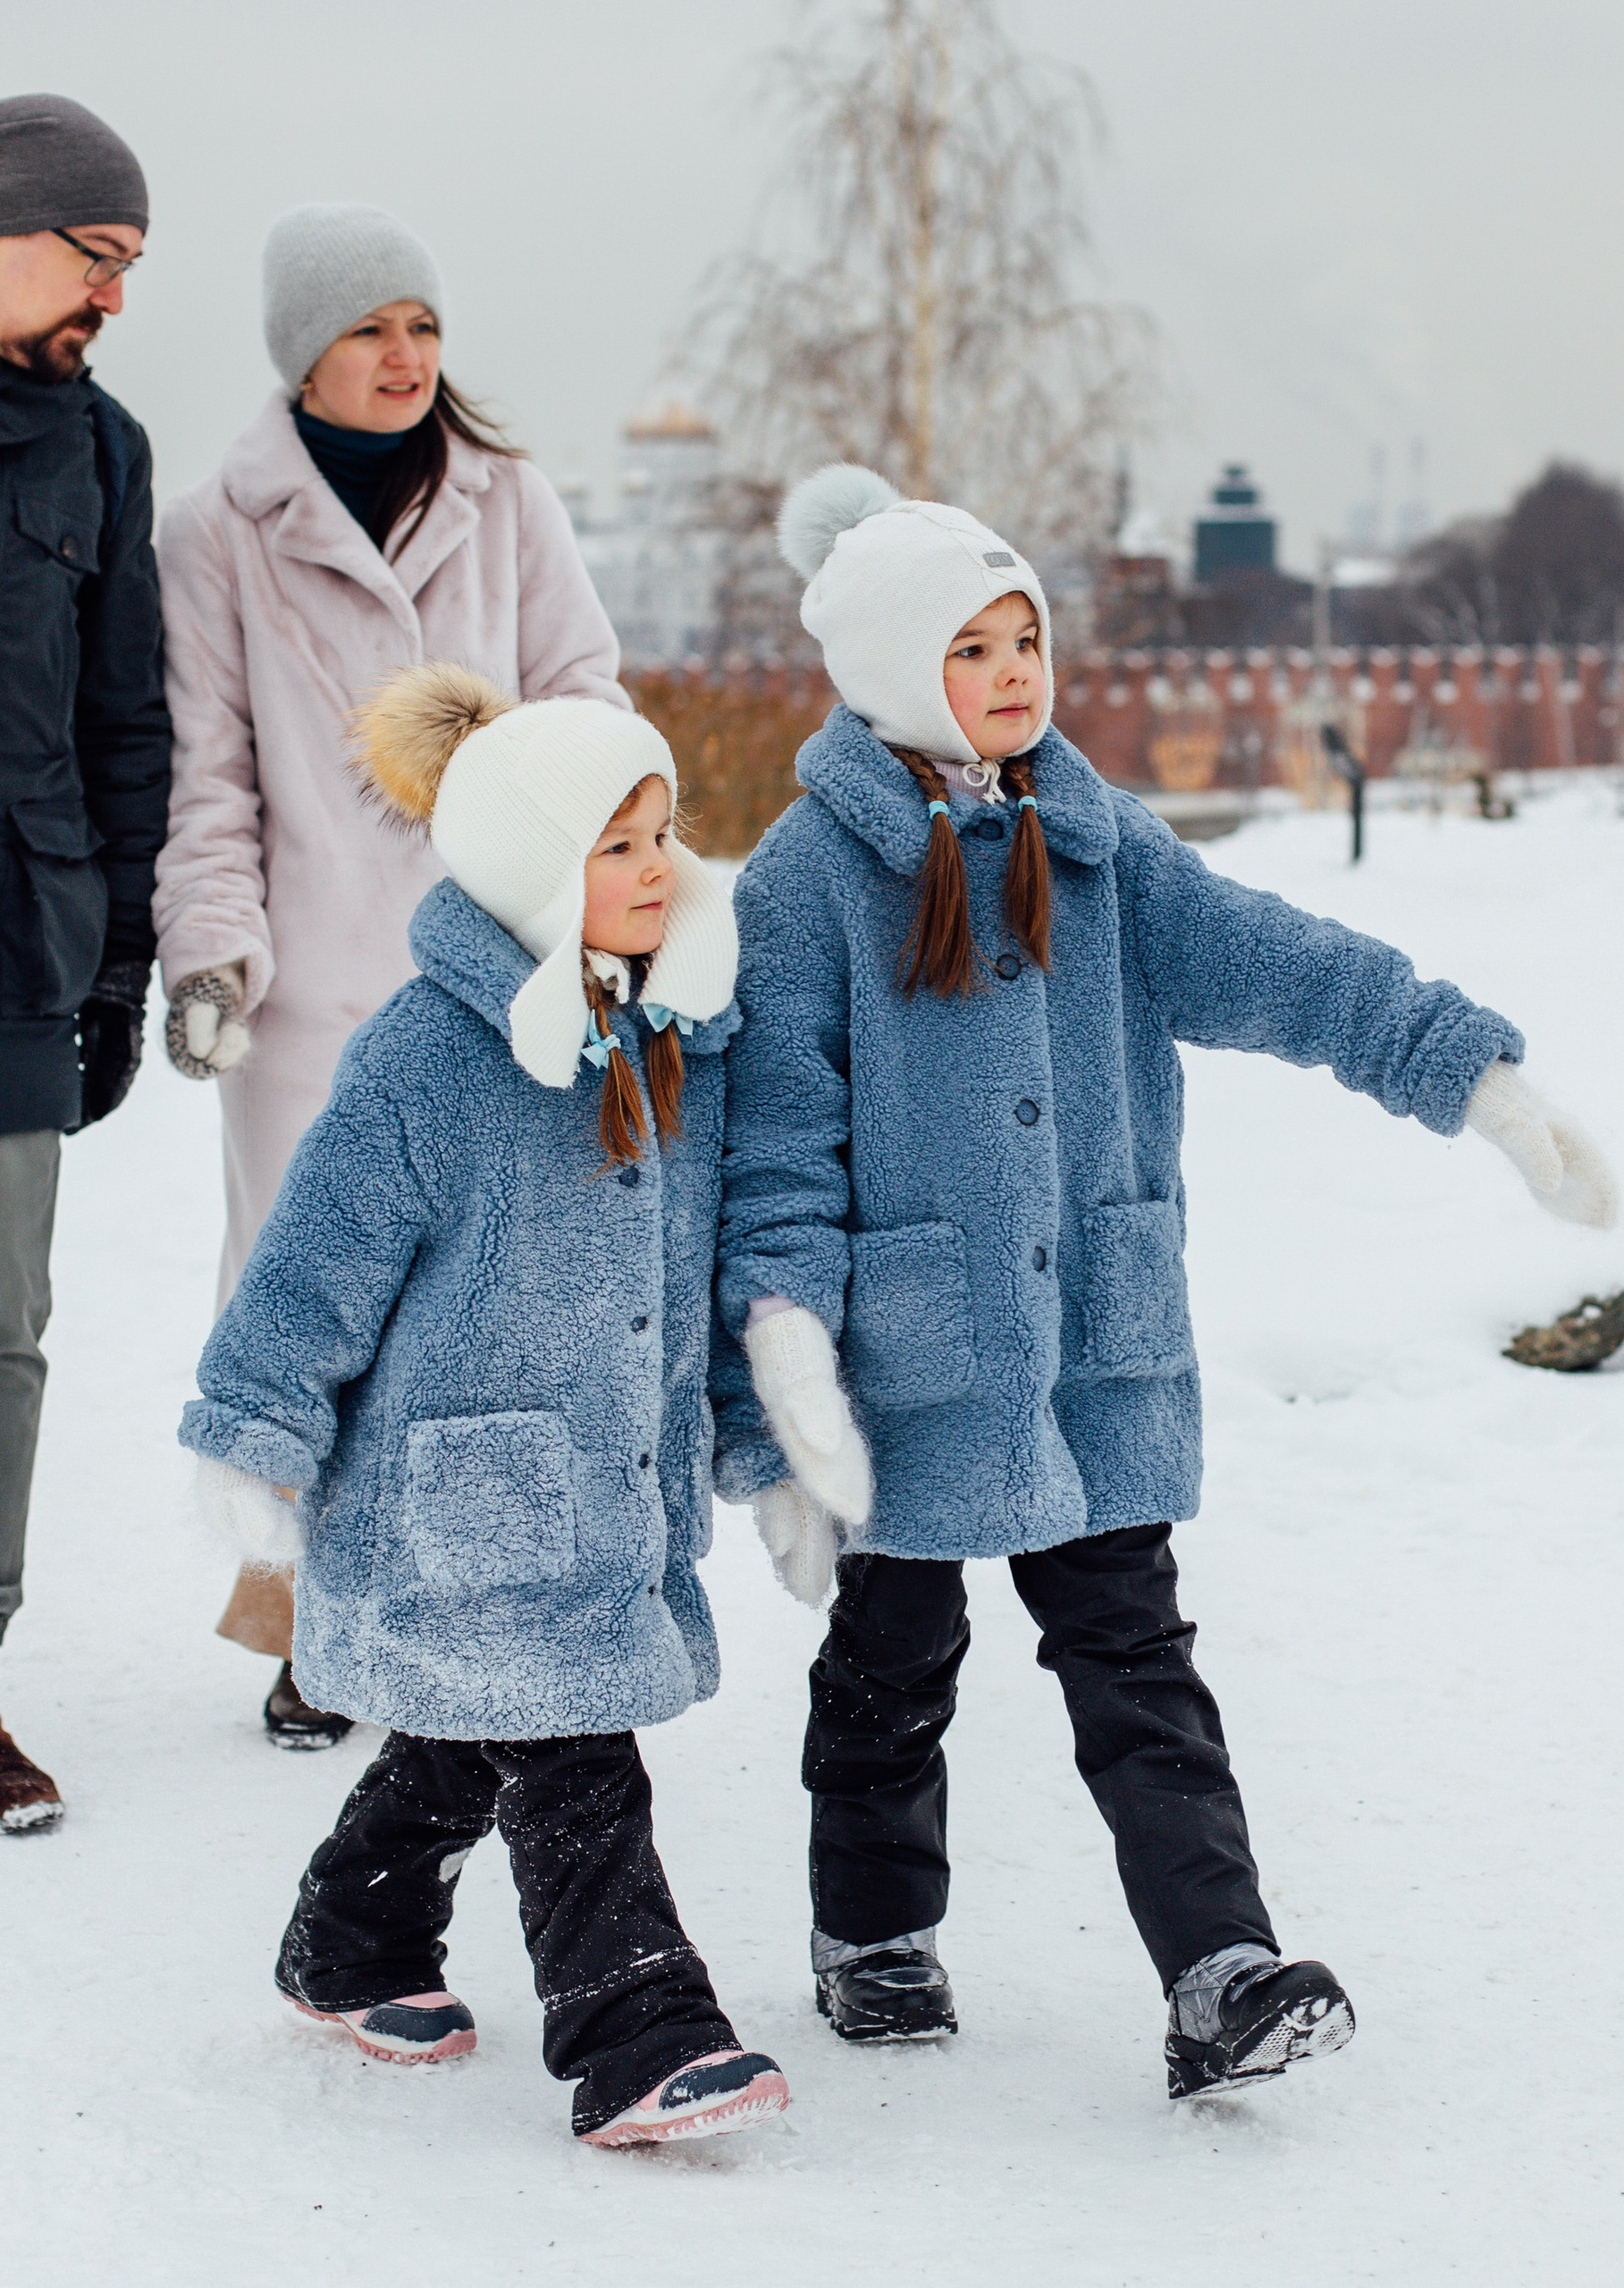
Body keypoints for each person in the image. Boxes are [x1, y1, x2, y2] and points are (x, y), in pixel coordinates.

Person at [715, 466, 1621, 2099]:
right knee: (890, 1667)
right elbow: (775, 1155)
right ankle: (873, 1935)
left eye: (1025, 640)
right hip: (908, 1364)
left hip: (1091, 1347)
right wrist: (785, 1379)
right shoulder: (802, 886)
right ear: (885, 669)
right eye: (970, 647)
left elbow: (1279, 962)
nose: (1011, 674)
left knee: (1138, 1662)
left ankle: (1222, 1971)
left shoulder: (1097, 837)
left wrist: (1467, 1073)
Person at [181, 661, 787, 2147]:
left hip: (604, 1488)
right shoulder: (425, 1058)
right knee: (574, 1755)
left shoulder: (675, 1040)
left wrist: (757, 1439)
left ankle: (352, 1943)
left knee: (465, 1743)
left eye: (666, 834)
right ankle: (639, 2032)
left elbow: (698, 1276)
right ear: (532, 873)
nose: (662, 870)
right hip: (455, 1495)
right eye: (619, 845)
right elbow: (313, 1262)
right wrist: (255, 1431)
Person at [152, 204, 631, 1747]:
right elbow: (210, 774)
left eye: (423, 327)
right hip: (316, 993)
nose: (406, 357)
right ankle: (302, 1620)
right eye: (370, 329)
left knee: (482, 1307)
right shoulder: (214, 532)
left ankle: (460, 1615)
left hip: (500, 975)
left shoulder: (506, 501)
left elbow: (589, 704)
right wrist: (214, 950)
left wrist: (593, 902)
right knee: (310, 1307)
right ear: (304, 351)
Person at [0, 95, 171, 1836]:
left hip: (15, 946)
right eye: (95, 257)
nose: (114, 297)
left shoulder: (103, 456)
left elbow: (130, 727)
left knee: (0, 1337)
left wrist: (119, 964)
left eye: (132, 268)